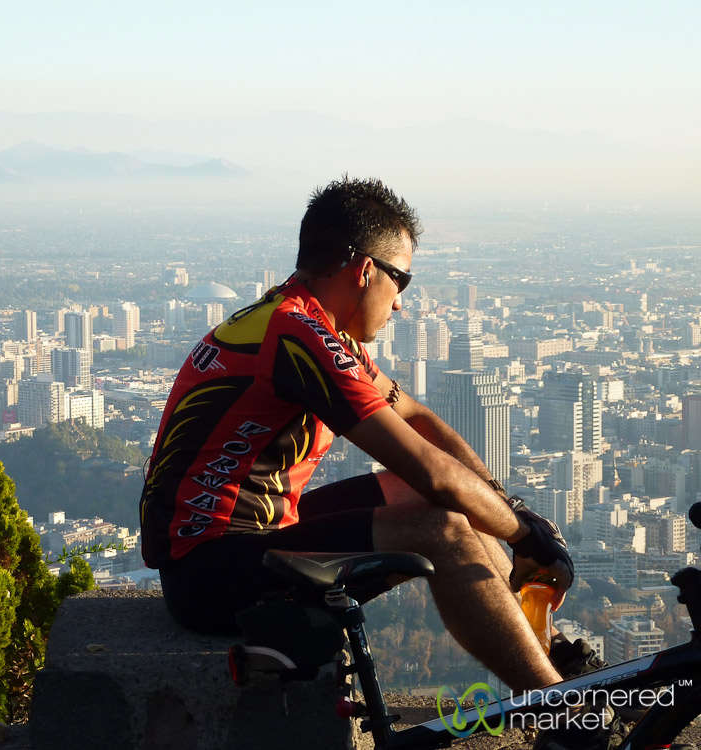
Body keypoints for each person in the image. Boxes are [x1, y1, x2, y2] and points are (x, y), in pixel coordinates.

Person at [140, 177, 596, 700]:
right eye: (401, 281)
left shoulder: (302, 322)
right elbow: (434, 472)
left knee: (439, 500)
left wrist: (502, 503)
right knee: (440, 528)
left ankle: (554, 651)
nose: (400, 304)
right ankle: (561, 717)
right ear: (364, 270)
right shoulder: (296, 337)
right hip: (213, 577)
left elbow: (419, 419)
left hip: (252, 540)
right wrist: (527, 536)